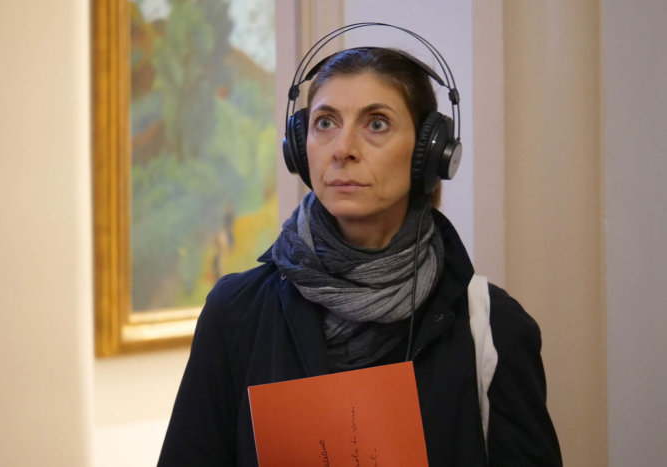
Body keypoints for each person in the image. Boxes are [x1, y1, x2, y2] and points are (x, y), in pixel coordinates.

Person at [159, 43, 562, 466]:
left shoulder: (492, 328)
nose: (343, 148)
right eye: (325, 122)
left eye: (377, 123)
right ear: (299, 146)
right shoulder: (236, 314)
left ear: (429, 152)